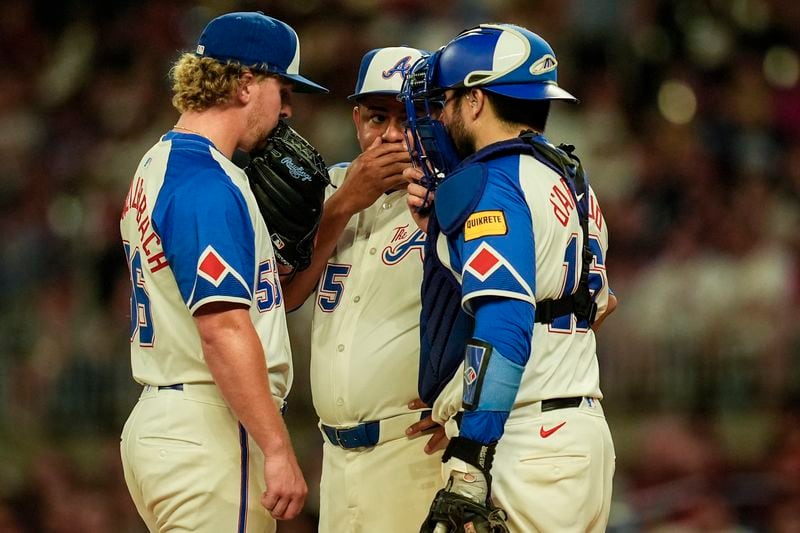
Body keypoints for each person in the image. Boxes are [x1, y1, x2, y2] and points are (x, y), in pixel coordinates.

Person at [402, 24, 617, 532]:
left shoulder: (492, 180)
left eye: (447, 99)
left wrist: (473, 449)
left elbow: (504, 322)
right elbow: (603, 305)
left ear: (475, 100)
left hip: (524, 442)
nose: (439, 115)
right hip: (574, 435)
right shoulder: (569, 179)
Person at [118, 12, 327, 532]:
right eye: (282, 87)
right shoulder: (206, 182)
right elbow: (222, 328)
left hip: (172, 418)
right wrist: (276, 446)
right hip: (210, 424)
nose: (287, 108)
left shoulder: (159, 162)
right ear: (246, 84)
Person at [280, 46, 447, 532]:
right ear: (357, 121)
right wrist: (344, 204)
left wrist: (466, 397)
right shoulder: (326, 191)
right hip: (335, 458)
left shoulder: (455, 194)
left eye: (408, 115)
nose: (391, 134)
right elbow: (286, 295)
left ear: (434, 116)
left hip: (415, 451)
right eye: (378, 117)